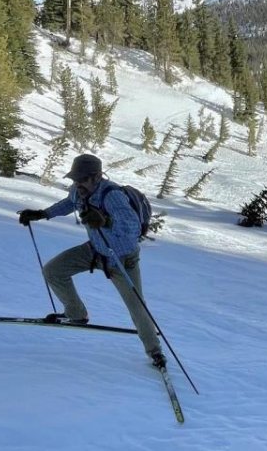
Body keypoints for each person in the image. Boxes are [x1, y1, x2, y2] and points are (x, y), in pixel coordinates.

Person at [17, 154, 166, 370]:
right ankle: (76, 314)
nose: (77, 183)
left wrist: (106, 220)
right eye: (75, 179)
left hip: (122, 259)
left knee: (137, 307)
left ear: (96, 176)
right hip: (96, 250)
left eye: (82, 179)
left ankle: (155, 352)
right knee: (53, 270)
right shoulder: (78, 190)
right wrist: (43, 214)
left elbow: (132, 229)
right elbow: (69, 203)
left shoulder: (112, 195)